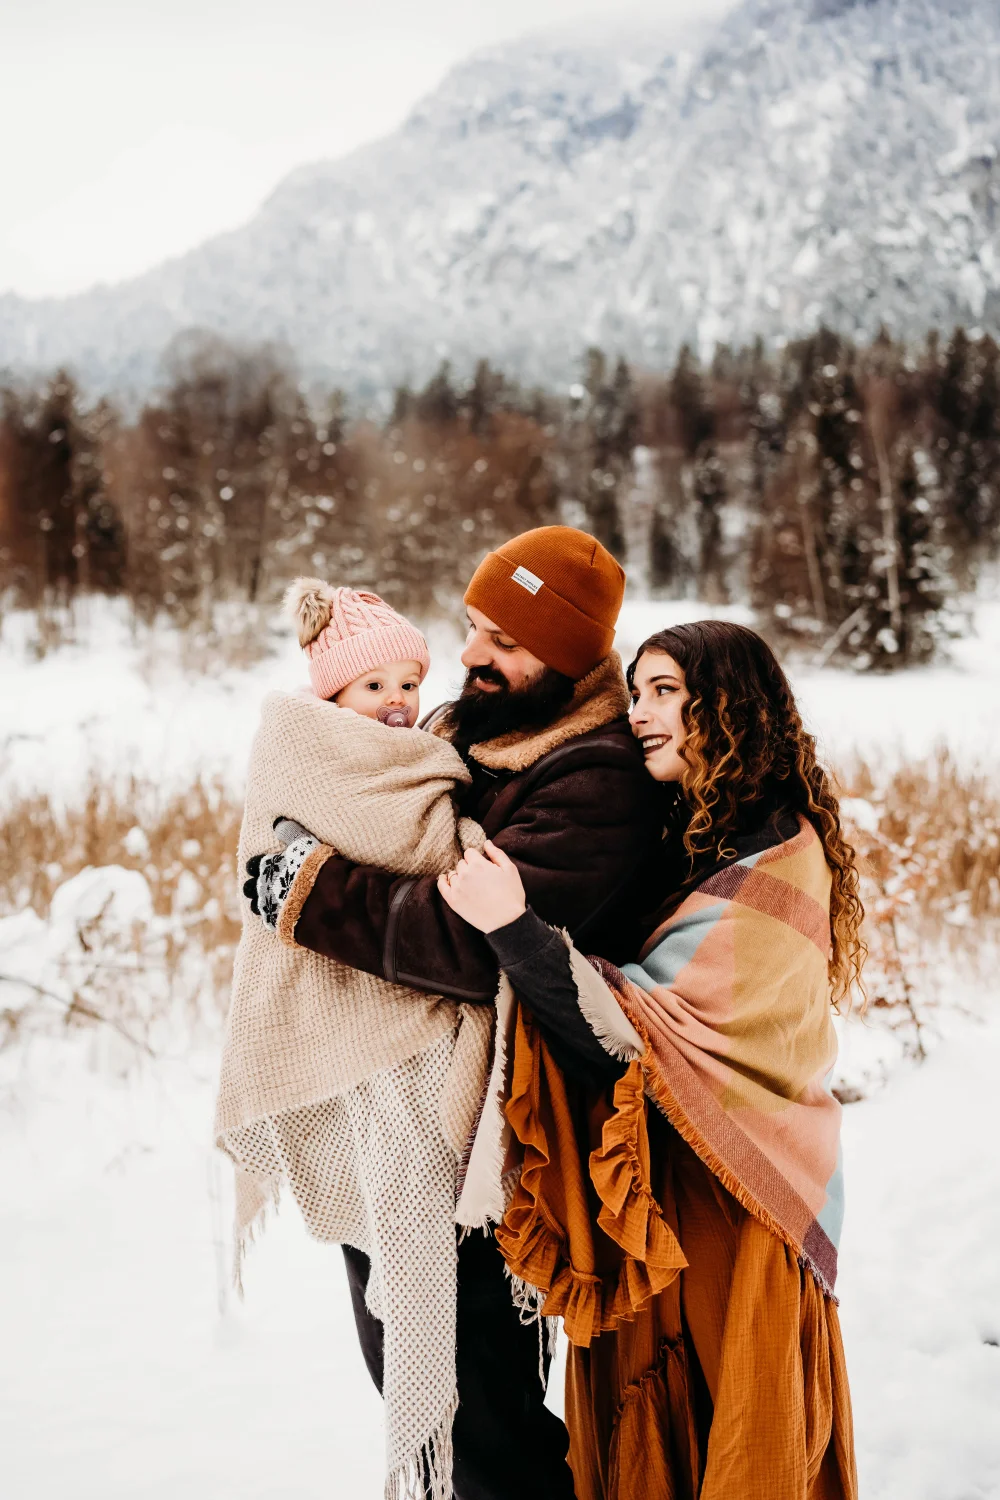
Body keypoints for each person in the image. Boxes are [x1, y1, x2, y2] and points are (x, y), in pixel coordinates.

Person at [243, 526, 664, 1500]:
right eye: (471, 626)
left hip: (486, 1141)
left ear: (565, 655)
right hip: (392, 1125)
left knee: (485, 1427)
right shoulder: (470, 725)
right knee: (413, 1379)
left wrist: (309, 892)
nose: (471, 653)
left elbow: (469, 943)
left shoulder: (593, 779)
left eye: (504, 640)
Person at [439, 619, 862, 1500]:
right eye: (636, 692)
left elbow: (633, 1039)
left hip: (731, 1208)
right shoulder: (692, 835)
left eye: (666, 690)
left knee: (727, 1447)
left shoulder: (775, 859)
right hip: (658, 1203)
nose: (640, 713)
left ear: (732, 706)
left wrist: (512, 928)